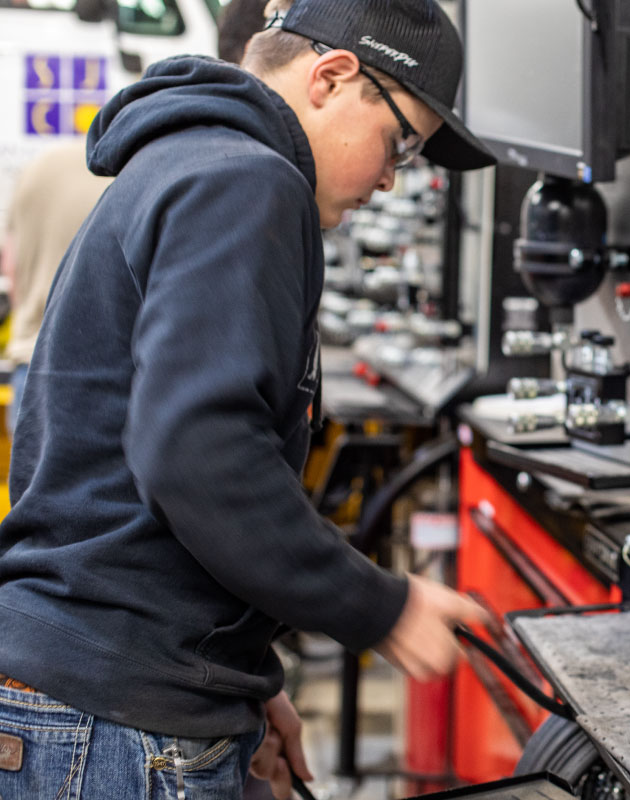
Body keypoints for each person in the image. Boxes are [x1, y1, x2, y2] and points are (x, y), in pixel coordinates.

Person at [0, 1, 496, 798]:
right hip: (116, 716)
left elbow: (119, 475)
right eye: (399, 142)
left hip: (102, 693)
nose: (390, 177)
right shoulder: (248, 179)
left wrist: (245, 679)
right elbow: (199, 452)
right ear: (333, 78)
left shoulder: (188, 162)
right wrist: (381, 607)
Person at [0, 141, 112, 433]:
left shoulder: (37, 169)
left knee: (30, 475)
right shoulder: (117, 171)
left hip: (32, 362)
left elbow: (10, 263)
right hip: (105, 369)